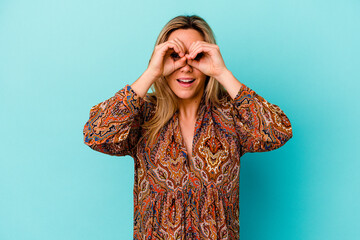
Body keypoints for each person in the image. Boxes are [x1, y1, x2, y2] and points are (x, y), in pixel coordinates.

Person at [83, 15, 293, 240]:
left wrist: (222, 73)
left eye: (197, 56)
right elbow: (96, 134)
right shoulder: (143, 114)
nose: (185, 67)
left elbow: (277, 131)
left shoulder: (231, 115)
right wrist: (151, 73)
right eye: (174, 56)